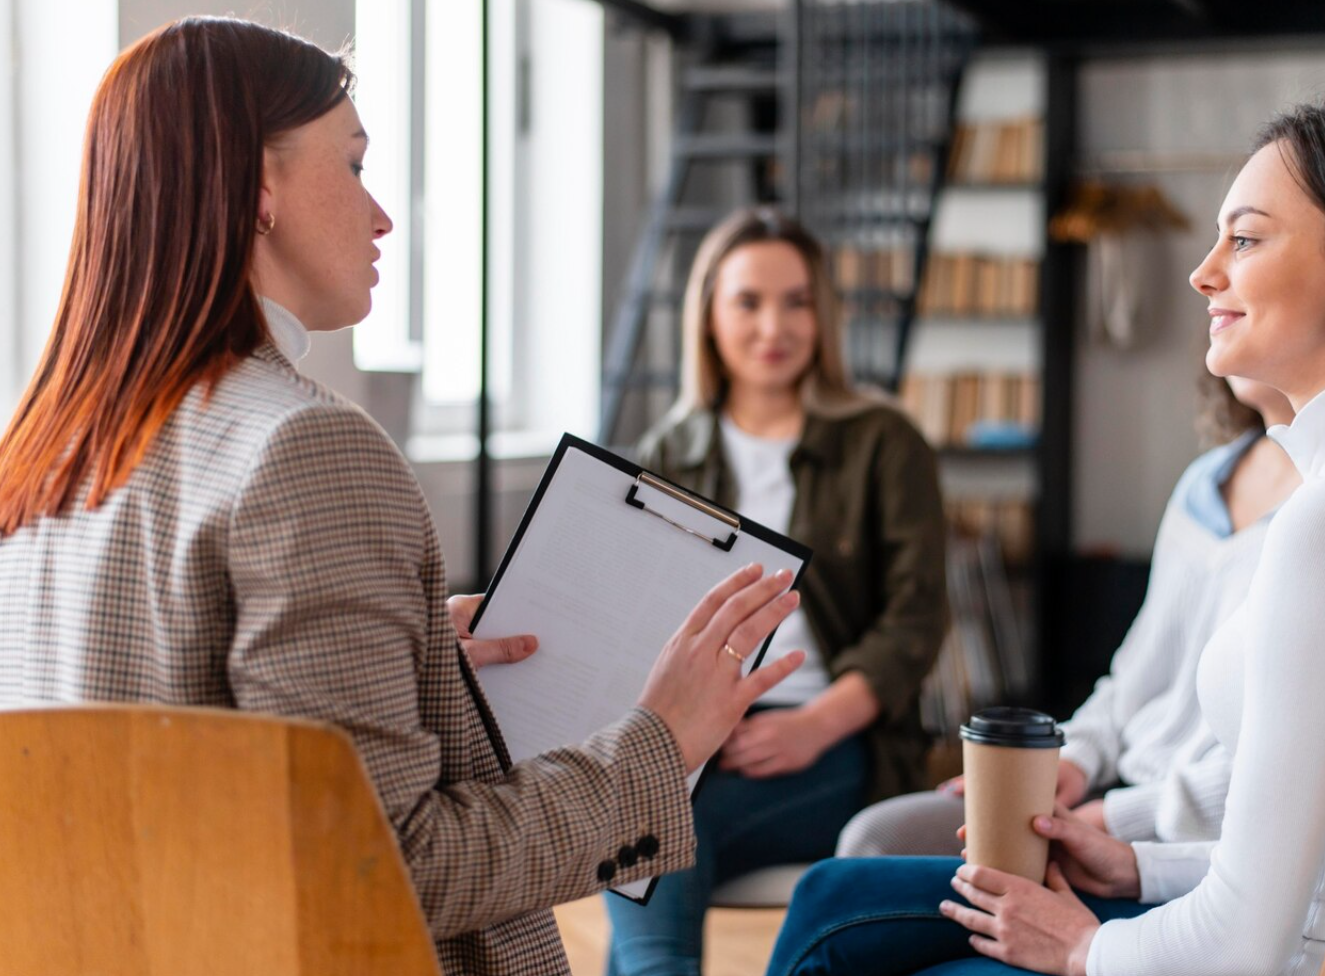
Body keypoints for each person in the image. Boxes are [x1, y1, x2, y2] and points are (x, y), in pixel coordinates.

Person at [0, 18, 807, 976]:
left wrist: (412, 661)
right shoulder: (305, 449)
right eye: (353, 165)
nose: (382, 214)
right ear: (259, 189)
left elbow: (165, 746)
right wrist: (659, 744)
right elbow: (387, 868)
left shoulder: (43, 454)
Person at [764, 100, 1325, 976]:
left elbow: (1247, 940)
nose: (1203, 274)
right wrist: (1136, 862)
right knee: (845, 897)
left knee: (836, 918)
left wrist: (1087, 947)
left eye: (1244, 240)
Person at [602, 206, 949, 975]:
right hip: (698, 731)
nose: (774, 326)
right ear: (710, 317)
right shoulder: (673, 449)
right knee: (642, 806)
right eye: (748, 302)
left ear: (822, 315)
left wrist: (819, 724)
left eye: (796, 302)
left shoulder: (885, 442)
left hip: (837, 739)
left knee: (656, 825)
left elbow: (915, 621)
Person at [834, 375, 1298, 860]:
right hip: (1117, 788)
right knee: (876, 840)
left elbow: (1282, 778)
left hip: (1185, 843)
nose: (1209, 293)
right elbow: (1131, 684)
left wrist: (1106, 821)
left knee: (875, 874)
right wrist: (1068, 761)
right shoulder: (1204, 481)